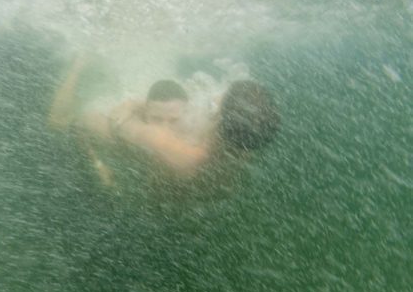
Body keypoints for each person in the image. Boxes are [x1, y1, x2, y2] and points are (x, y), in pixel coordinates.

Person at [48, 55, 279, 194]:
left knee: (59, 123)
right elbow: (118, 124)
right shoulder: (247, 137)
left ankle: (79, 63)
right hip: (128, 132)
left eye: (222, 97)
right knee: (66, 123)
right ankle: (80, 63)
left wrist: (133, 107)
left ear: (220, 115)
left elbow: (122, 123)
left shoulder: (179, 150)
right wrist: (138, 106)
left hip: (138, 141)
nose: (216, 97)